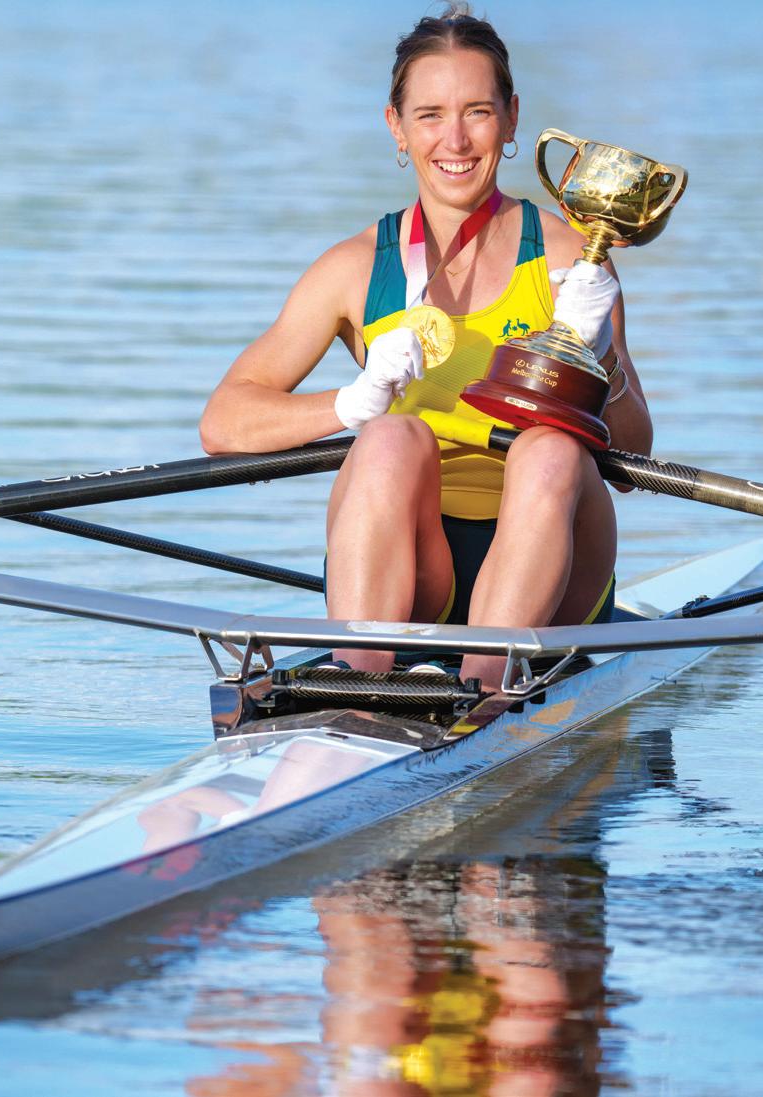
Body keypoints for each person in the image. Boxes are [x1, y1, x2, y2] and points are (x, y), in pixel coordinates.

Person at [200, 4, 652, 693]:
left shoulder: (570, 257)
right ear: (397, 126)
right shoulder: (357, 268)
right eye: (431, 114)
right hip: (417, 563)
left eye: (478, 112)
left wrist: (604, 358)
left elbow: (633, 462)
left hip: (556, 565)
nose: (456, 140)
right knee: (389, 436)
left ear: (512, 120)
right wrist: (350, 403)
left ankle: (485, 693)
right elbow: (224, 422)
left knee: (551, 449)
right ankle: (358, 679)